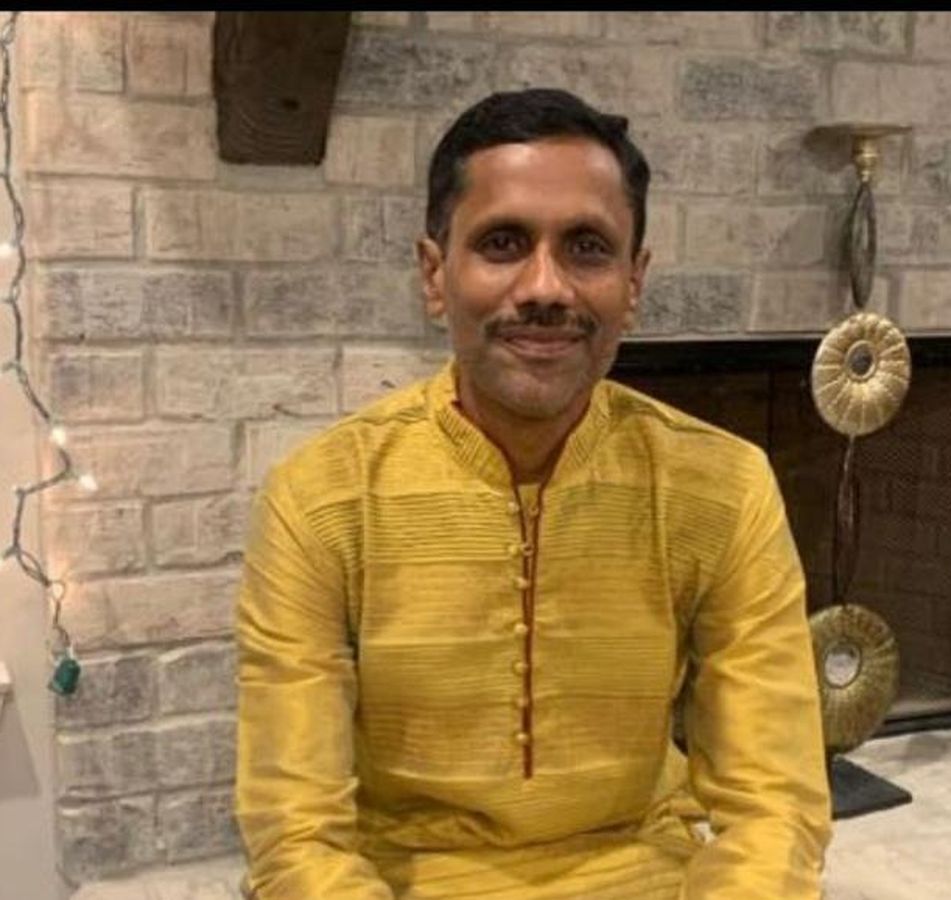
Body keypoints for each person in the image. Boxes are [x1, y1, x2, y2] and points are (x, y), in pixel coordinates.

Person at [235, 87, 831, 899]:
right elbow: (296, 831)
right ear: (435, 274)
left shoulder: (722, 486)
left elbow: (775, 806)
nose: (546, 286)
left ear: (634, 281)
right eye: (503, 243)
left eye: (587, 248)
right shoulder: (321, 499)